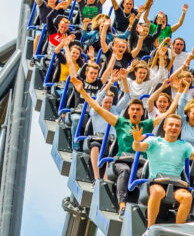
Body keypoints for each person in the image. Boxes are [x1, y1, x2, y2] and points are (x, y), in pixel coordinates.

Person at [70, 77, 176, 214]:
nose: (135, 112)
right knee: (125, 171)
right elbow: (98, 108)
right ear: (129, 111)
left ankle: (141, 207)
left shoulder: (147, 125)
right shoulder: (121, 122)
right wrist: (82, 92)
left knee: (145, 176)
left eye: (138, 110)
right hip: (122, 161)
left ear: (142, 112)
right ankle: (122, 205)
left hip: (140, 163)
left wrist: (179, 93)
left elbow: (167, 114)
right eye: (133, 109)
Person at [131, 115, 194, 236]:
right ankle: (149, 228)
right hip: (156, 181)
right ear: (164, 127)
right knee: (158, 192)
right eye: (171, 125)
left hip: (176, 183)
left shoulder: (184, 146)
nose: (174, 128)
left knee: (187, 197)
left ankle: (177, 232)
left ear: (180, 129)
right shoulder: (154, 141)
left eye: (177, 126)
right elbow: (138, 147)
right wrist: (137, 141)